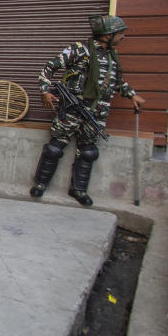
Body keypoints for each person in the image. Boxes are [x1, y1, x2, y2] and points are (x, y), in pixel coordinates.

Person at [30, 14, 146, 206]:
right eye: (120, 33)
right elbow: (48, 68)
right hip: (72, 108)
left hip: (97, 112)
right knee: (54, 147)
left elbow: (116, 82)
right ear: (108, 35)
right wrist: (45, 91)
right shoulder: (79, 50)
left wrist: (132, 95)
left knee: (88, 152)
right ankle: (41, 184)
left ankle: (79, 189)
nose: (123, 36)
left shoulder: (112, 57)